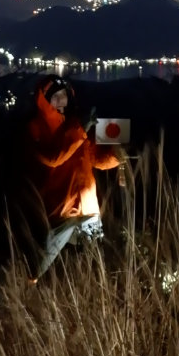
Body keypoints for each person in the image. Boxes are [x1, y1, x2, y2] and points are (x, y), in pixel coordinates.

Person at [23, 76, 122, 278]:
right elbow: (52, 158)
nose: (61, 100)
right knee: (37, 269)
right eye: (55, 96)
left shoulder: (76, 124)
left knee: (96, 266)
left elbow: (95, 158)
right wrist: (81, 130)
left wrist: (118, 154)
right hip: (60, 211)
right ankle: (23, 296)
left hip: (88, 208)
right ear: (45, 101)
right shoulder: (35, 128)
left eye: (64, 96)